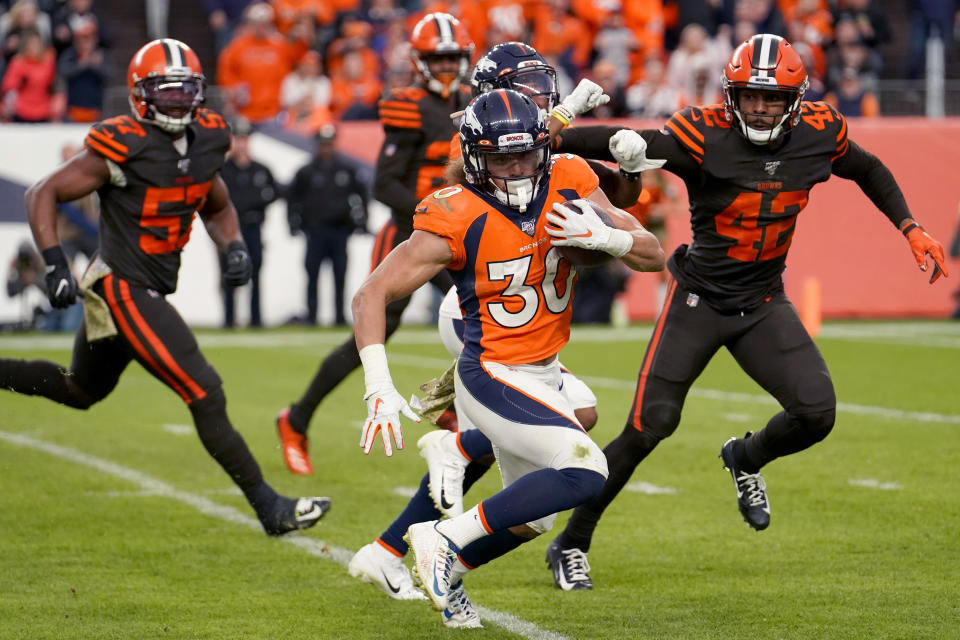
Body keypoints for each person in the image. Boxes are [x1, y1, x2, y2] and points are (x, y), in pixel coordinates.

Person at [543, 33, 951, 591]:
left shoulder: (819, 132)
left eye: (772, 97)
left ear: (796, 99)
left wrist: (910, 226)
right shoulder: (704, 134)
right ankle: (573, 541)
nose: (759, 107)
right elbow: (626, 141)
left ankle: (746, 457)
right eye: (749, 96)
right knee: (649, 425)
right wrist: (558, 134)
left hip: (762, 301)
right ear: (732, 95)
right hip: (699, 300)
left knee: (816, 412)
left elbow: (869, 168)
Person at [351, 88, 664, 628]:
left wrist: (607, 236)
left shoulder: (569, 176)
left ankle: (444, 567)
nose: (517, 168)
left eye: (525, 154)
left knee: (537, 518)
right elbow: (371, 294)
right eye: (501, 157)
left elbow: (653, 254)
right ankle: (439, 536)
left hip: (543, 369)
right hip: (492, 370)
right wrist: (378, 383)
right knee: (588, 469)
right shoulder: (456, 210)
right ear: (475, 158)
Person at [0, 38, 330, 536]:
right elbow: (40, 192)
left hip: (143, 285)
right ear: (140, 95)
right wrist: (54, 265)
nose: (177, 102)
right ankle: (270, 507)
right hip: (122, 285)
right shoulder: (122, 143)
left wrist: (233, 244)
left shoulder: (209, 138)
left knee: (80, 389)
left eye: (185, 92)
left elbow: (215, 202)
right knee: (205, 390)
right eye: (166, 92)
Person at [274, 12, 475, 475]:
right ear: (421, 61)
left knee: (478, 314)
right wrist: (438, 214)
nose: (446, 67)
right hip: (411, 233)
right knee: (375, 338)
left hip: (457, 233)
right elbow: (386, 185)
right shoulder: (408, 106)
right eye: (437, 58)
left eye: (452, 57)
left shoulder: (470, 101)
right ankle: (297, 418)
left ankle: (449, 408)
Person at [287, 123, 369, 326]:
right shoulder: (306, 171)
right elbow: (292, 198)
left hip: (340, 230)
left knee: (340, 275)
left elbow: (362, 195)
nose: (326, 148)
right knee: (312, 274)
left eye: (329, 143)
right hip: (315, 231)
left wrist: (362, 221)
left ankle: (339, 317)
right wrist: (293, 223)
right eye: (323, 144)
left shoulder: (346, 170)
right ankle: (312, 315)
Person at [219, 117, 278, 328]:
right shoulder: (223, 170)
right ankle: (228, 319)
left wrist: (257, 206)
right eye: (238, 139)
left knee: (255, 273)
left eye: (245, 139)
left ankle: (256, 319)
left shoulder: (260, 169)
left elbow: (275, 193)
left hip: (253, 227)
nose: (242, 144)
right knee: (228, 273)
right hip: (229, 230)